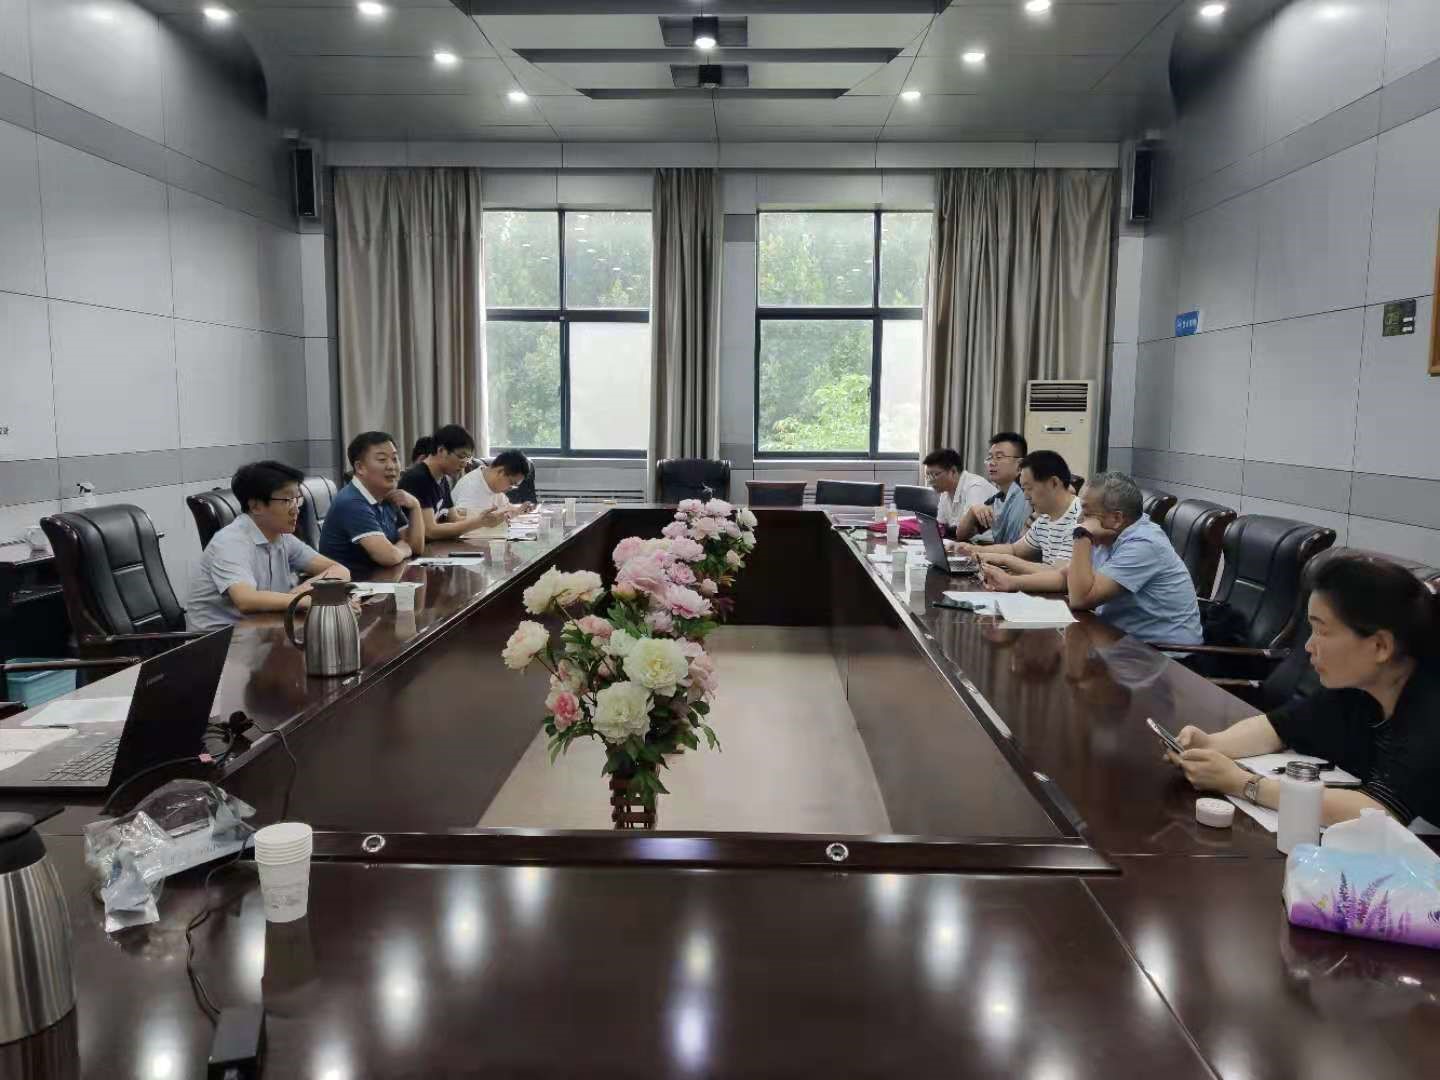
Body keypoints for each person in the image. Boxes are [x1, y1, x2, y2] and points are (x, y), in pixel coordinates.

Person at [1167, 555, 1440, 827]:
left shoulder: (1429, 707)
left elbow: (1377, 811)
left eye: (1322, 631)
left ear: (1380, 646)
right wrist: (1212, 744)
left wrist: (1244, 783)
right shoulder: (1358, 688)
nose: (1308, 646)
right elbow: (1278, 727)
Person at [187, 461, 351, 631]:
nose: (296, 509)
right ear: (256, 506)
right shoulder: (230, 542)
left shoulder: (282, 537)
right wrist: (308, 599)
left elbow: (339, 570)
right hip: (218, 640)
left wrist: (307, 591)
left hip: (264, 629)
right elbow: (246, 600)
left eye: (297, 499)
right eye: (287, 500)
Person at [1063, 472, 1201, 645]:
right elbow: (1063, 576)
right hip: (1120, 641)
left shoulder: (1144, 544)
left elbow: (1080, 599)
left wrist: (1081, 535)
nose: (1080, 519)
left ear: (1116, 518)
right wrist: (1025, 580)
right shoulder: (1109, 535)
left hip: (1164, 654)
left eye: (1087, 512)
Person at [958, 450, 1081, 594]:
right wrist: (974, 550)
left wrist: (1005, 560)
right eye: (1023, 489)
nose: (1026, 496)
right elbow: (1015, 550)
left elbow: (1058, 574)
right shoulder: (1045, 517)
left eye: (1029, 488)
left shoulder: (1079, 517)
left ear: (1053, 483)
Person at [319, 431, 425, 573]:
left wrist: (415, 506)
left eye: (395, 459)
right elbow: (388, 556)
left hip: (380, 580)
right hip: (351, 584)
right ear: (360, 467)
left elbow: (416, 547)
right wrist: (403, 549)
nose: (391, 466)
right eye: (382, 460)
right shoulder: (352, 503)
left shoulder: (386, 496)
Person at [397, 424, 495, 541]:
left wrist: (488, 519)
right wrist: (478, 523)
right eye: (461, 456)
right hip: (412, 548)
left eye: (467, 458)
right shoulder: (418, 478)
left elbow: (454, 519)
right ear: (441, 450)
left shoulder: (442, 479)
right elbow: (429, 531)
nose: (464, 464)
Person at [950, 432, 1031, 545]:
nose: (991, 463)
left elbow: (1015, 547)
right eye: (990, 457)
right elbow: (961, 535)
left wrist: (976, 550)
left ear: (1020, 465)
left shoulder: (1027, 496)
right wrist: (972, 512)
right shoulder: (996, 500)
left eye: (999, 457)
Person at [922, 448, 996, 535]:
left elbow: (966, 532)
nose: (930, 481)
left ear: (953, 471)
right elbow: (941, 526)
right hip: (962, 541)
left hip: (986, 542)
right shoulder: (945, 491)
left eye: (935, 475)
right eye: (928, 476)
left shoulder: (975, 487)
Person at [451, 449, 534, 521]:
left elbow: (505, 509)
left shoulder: (493, 486)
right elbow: (460, 521)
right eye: (511, 483)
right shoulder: (471, 487)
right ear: (501, 472)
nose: (511, 488)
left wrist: (519, 510)